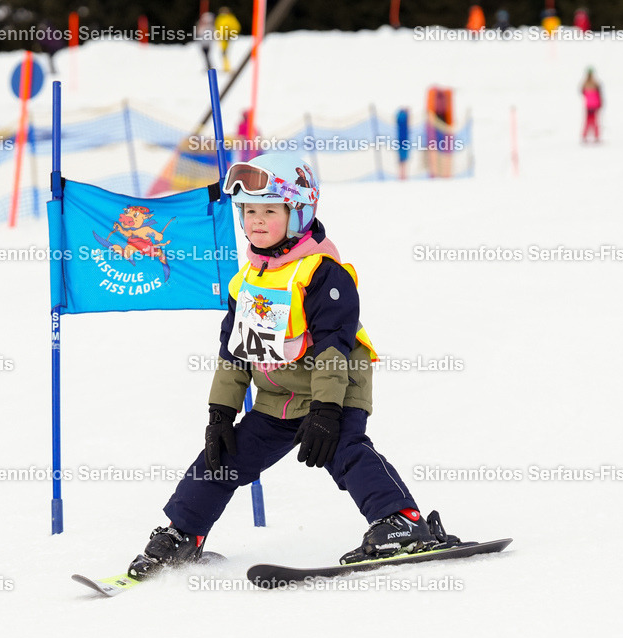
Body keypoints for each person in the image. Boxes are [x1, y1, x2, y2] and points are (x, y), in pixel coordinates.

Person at [127, 153, 456, 579]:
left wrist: (326, 411)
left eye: (269, 210)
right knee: (219, 460)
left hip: (334, 390)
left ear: (298, 213)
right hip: (277, 400)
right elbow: (234, 352)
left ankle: (402, 521)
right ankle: (183, 534)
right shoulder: (246, 279)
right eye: (248, 211)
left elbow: (333, 348)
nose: (256, 221)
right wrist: (221, 413)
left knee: (345, 451)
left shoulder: (321, 273)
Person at [214, 7, 241, 73]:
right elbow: (217, 27)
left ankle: (227, 67)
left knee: (225, 52)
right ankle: (226, 67)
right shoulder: (219, 18)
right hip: (222, 37)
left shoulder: (230, 18)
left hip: (227, 36)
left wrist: (232, 33)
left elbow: (236, 27)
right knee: (223, 52)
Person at [580, 68, 603, 143]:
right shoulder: (596, 83)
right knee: (594, 122)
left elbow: (582, 92)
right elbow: (599, 94)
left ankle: (585, 136)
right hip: (594, 105)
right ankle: (596, 137)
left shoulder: (585, 83)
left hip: (589, 105)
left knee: (588, 122)